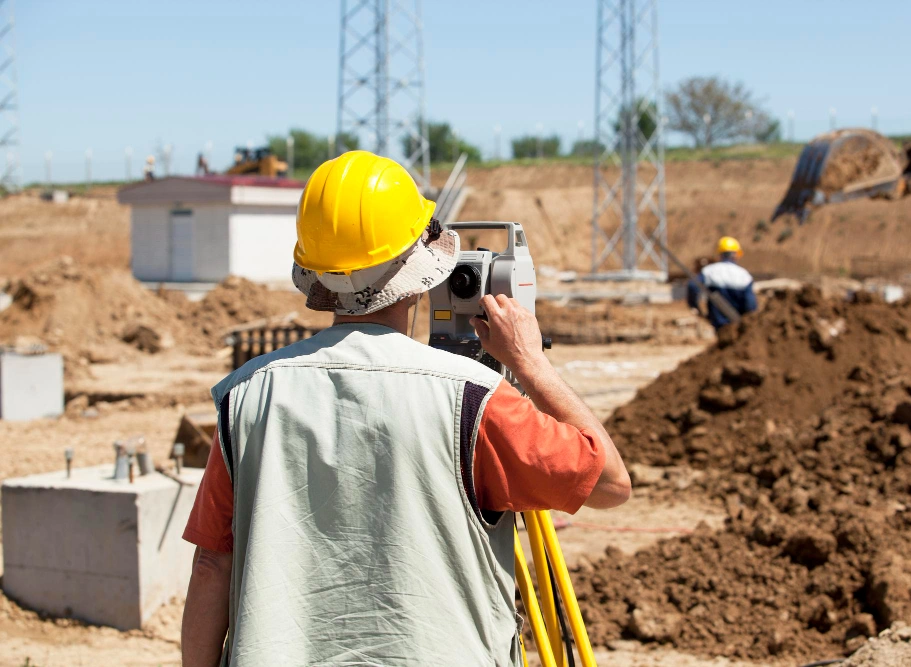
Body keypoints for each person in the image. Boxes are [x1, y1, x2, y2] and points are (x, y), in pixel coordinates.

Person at [180, 150, 631, 667]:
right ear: (421, 272)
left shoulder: (246, 394)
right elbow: (611, 484)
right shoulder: (475, 400)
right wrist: (529, 363)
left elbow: (211, 566)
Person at [686, 236, 757, 330]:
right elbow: (750, 305)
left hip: (718, 324)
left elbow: (692, 286)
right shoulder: (744, 276)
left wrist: (695, 306)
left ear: (719, 254)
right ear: (736, 255)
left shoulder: (710, 271)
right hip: (738, 326)